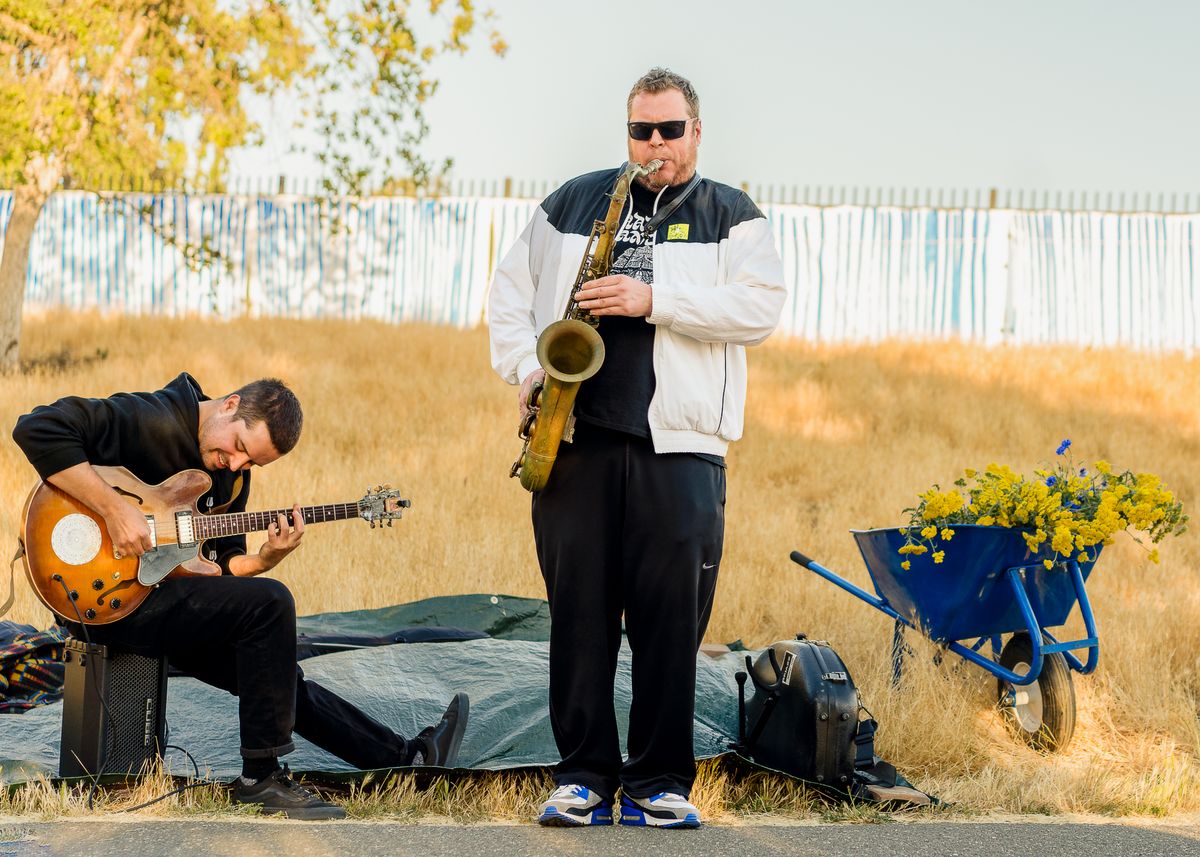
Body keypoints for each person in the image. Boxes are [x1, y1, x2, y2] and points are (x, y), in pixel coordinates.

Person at [488, 67, 786, 829]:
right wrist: (528, 370)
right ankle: (582, 775)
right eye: (640, 131)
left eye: (669, 131)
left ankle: (659, 780)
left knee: (669, 620)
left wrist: (654, 301)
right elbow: (508, 293)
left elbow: (759, 308)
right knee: (577, 615)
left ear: (696, 132)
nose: (654, 146)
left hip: (682, 449)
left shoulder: (731, 212)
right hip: (575, 436)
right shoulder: (576, 200)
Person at [12, 373, 469, 820]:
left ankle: (406, 764)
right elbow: (36, 426)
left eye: (252, 464)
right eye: (240, 449)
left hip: (167, 599)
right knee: (271, 604)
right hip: (98, 597)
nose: (235, 466)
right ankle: (261, 778)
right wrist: (114, 511)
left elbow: (221, 565)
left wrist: (263, 561)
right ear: (229, 405)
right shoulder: (150, 418)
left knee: (276, 679)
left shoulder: (230, 480)